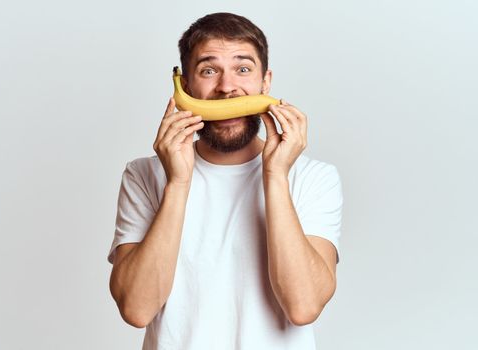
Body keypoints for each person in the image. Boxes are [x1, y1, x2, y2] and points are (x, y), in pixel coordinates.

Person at [107, 12, 343, 350]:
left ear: (266, 82)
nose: (227, 87)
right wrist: (178, 183)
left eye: (243, 69)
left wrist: (275, 176)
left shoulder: (314, 177)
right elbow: (137, 309)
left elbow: (303, 306)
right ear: (185, 87)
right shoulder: (144, 175)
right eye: (208, 70)